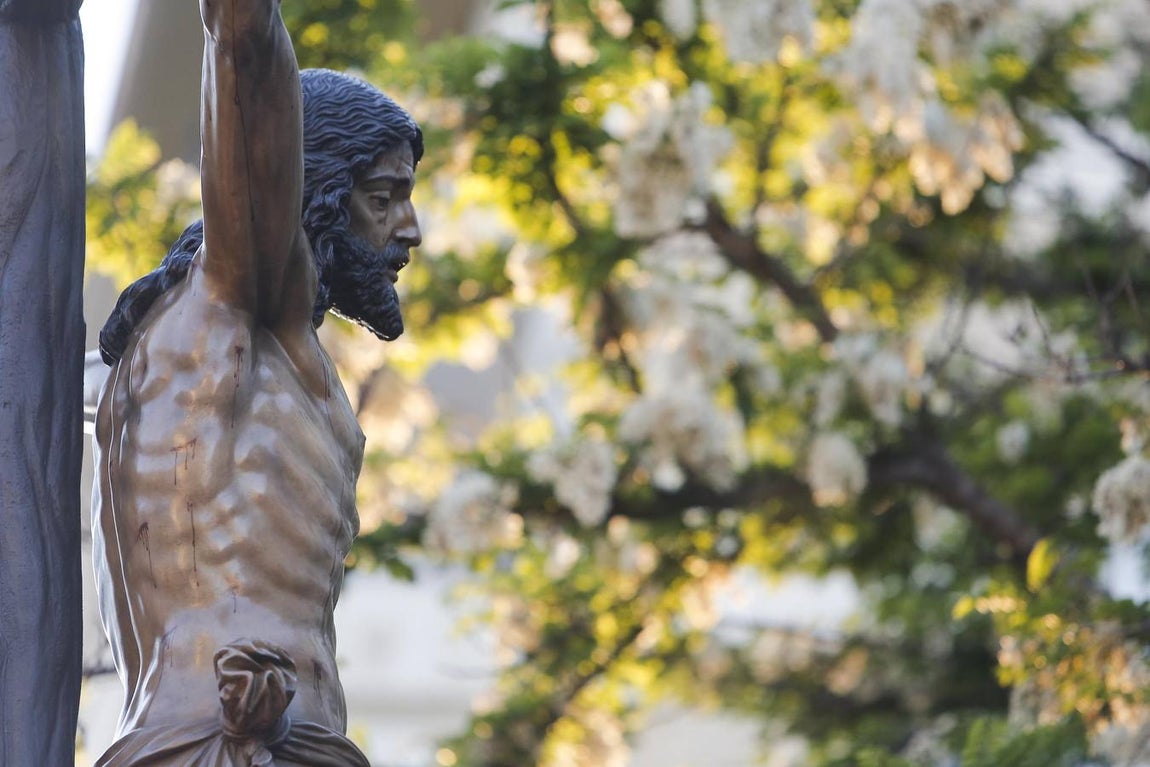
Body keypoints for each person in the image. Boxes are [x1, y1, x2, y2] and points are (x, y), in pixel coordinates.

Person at [91, 1, 422, 763]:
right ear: (305, 192)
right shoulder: (238, 296)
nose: (409, 228)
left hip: (286, 741)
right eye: (384, 196)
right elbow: (245, 47)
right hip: (221, 742)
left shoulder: (219, 355)